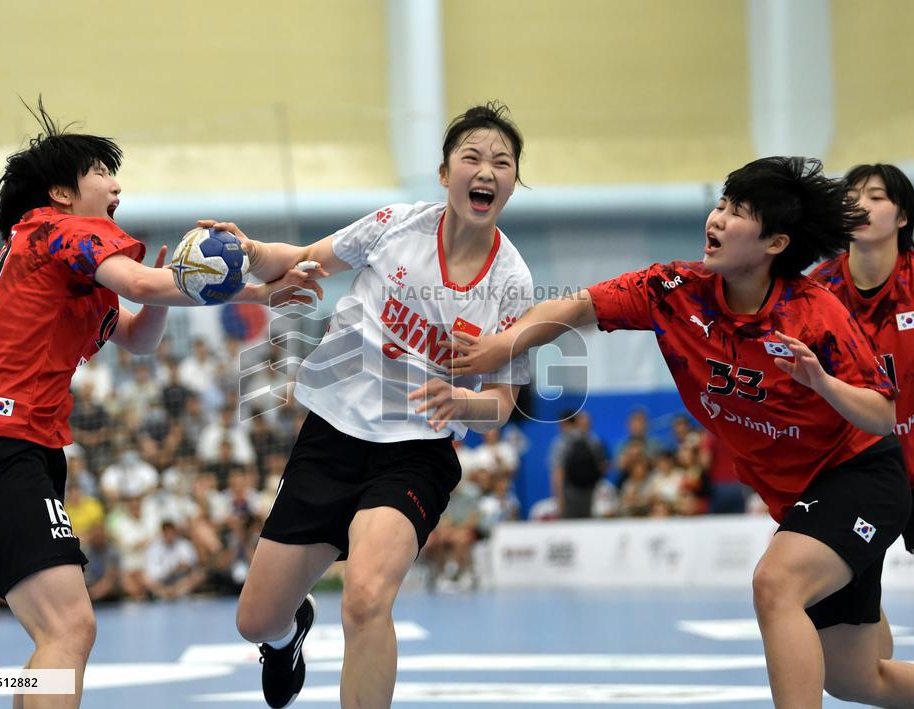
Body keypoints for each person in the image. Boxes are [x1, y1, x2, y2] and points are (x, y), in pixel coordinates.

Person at [442, 156, 914, 707]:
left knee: (775, 584)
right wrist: (507, 343)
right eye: (721, 204)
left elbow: (881, 415)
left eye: (738, 212)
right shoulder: (674, 291)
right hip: (799, 499)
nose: (716, 220)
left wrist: (821, 382)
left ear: (775, 243)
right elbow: (579, 306)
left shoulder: (814, 313)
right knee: (858, 680)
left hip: (859, 477)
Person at [0, 101, 319, 708]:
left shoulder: (68, 276)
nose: (116, 186)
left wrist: (168, 293)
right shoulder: (55, 229)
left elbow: (140, 335)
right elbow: (140, 283)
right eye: (103, 173)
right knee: (69, 631)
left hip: (16, 453)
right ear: (61, 192)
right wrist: (259, 289)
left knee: (55, 639)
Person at [200, 102, 533, 708]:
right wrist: (250, 253)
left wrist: (464, 400)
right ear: (444, 173)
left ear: (512, 182)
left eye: (502, 162)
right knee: (256, 619)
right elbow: (304, 260)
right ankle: (286, 636)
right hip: (331, 437)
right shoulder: (396, 225)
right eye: (473, 157)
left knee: (365, 597)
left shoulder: (512, 283)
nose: (487, 170)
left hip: (415, 454)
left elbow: (502, 405)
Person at [810, 163, 914, 660]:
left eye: (876, 196)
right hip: (855, 470)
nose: (861, 206)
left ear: (902, 217)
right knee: (855, 654)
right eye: (852, 196)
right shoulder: (817, 290)